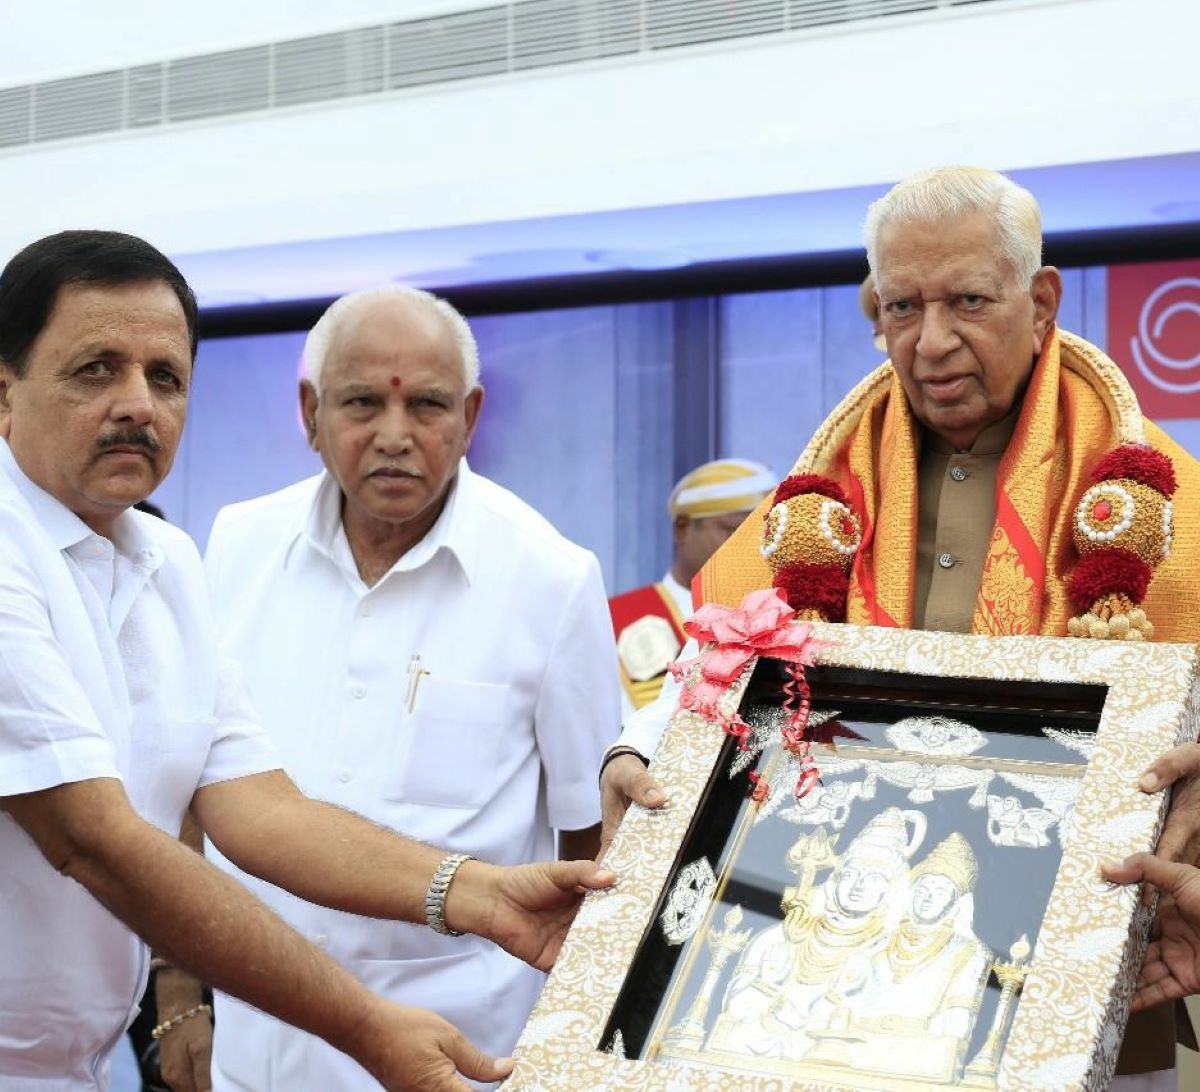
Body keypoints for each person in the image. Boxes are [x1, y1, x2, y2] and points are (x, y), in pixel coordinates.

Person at [601, 166, 1200, 1088]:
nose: (932, 341)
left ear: (1042, 301)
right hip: (826, 974)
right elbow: (719, 662)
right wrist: (637, 753)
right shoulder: (820, 495)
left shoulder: (1162, 501)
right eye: (902, 307)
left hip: (1067, 972)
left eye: (969, 301)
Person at [0, 230, 615, 1092]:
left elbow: (257, 806)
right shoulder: (198, 543)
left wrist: (476, 893)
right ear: (5, 391)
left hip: (99, 1065)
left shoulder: (163, 560)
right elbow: (94, 840)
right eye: (96, 369)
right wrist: (358, 1023)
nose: (137, 404)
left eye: (165, 377)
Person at [201, 284, 620, 1089]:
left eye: (427, 405)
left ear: (469, 416)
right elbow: (196, 779)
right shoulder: (237, 545)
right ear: (310, 412)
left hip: (462, 1054)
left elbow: (590, 840)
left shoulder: (550, 578)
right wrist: (179, 995)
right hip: (259, 1049)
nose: (395, 436)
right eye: (362, 402)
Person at [608, 458, 774, 716]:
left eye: (764, 535)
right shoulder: (615, 619)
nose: (754, 549)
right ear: (682, 528)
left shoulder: (778, 618)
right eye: (734, 532)